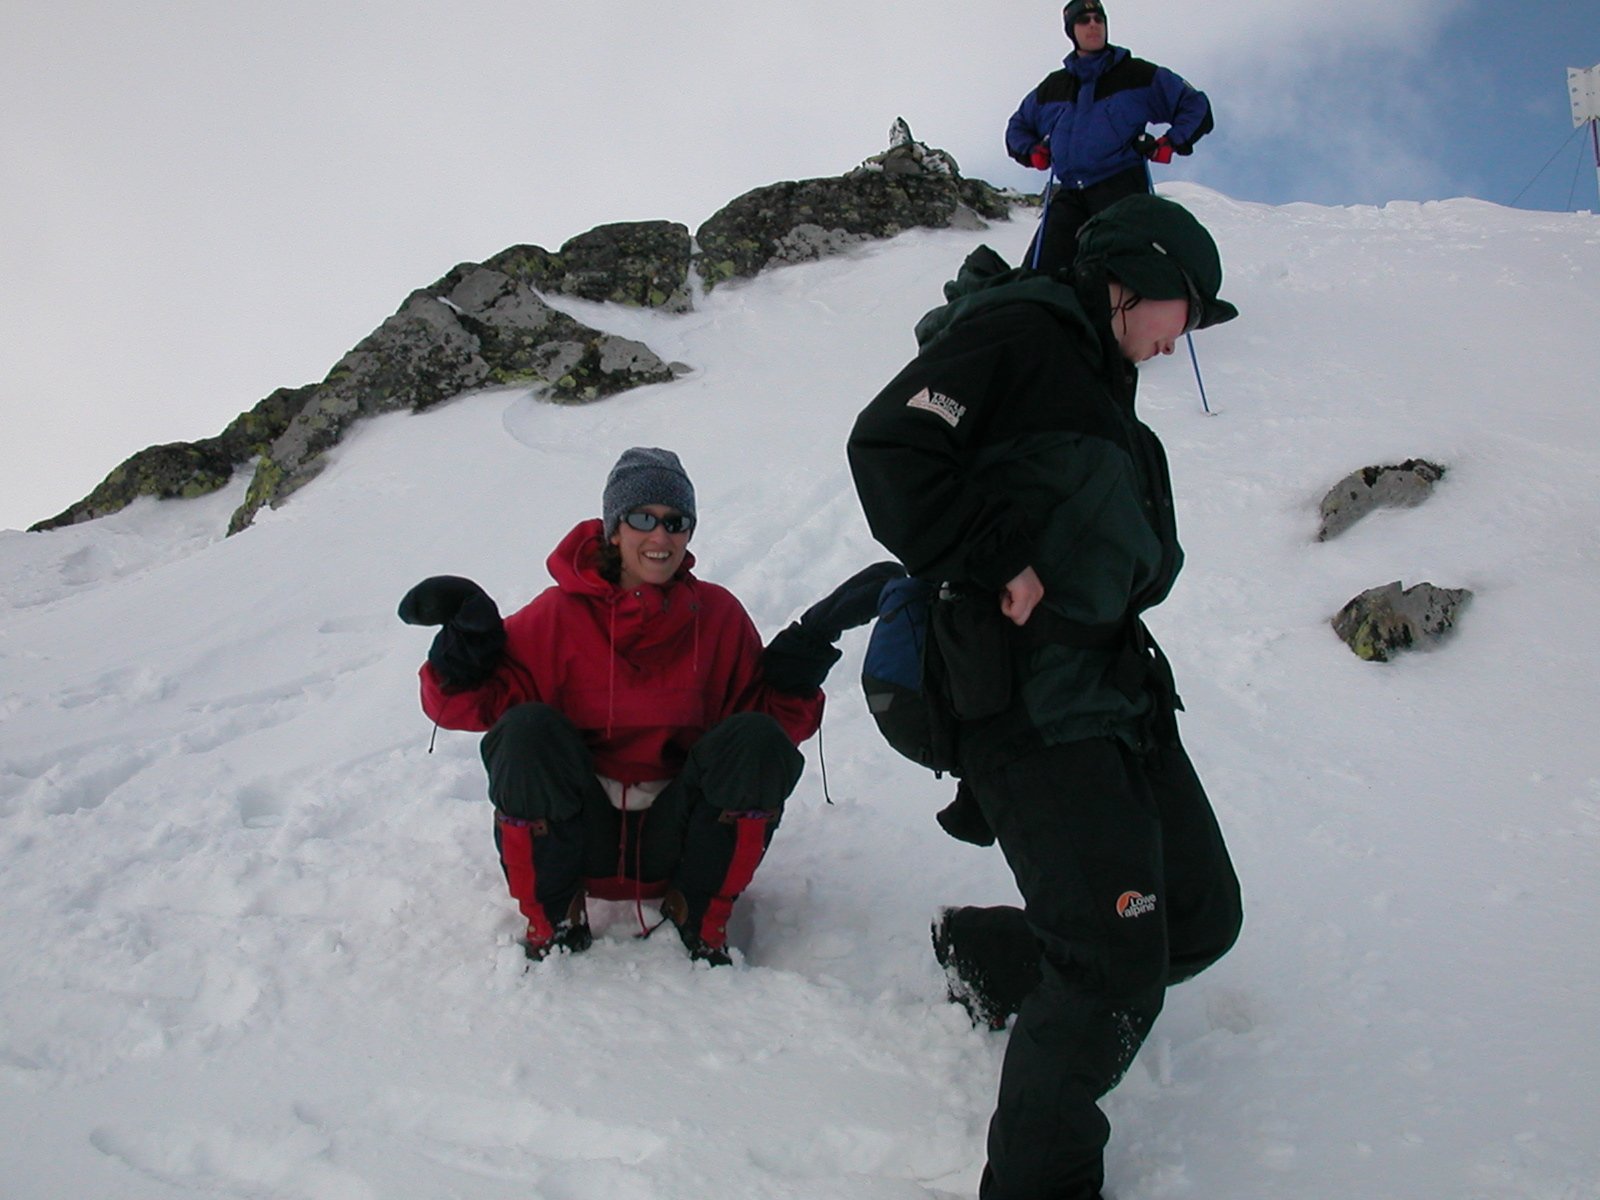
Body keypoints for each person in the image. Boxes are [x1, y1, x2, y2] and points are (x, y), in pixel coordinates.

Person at [846, 194, 1244, 1200]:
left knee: (1195, 917)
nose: (1185, 335)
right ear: (1134, 279)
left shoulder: (1107, 387)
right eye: (1187, 309)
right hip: (1027, 702)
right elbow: (889, 445)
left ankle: (990, 957)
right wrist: (993, 556)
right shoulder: (1021, 335)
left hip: (1115, 693)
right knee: (1112, 963)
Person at [400, 447, 898, 965]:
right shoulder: (555, 617)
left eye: (676, 522)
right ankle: (553, 919)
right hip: (576, 840)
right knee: (525, 729)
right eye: (643, 519)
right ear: (614, 529)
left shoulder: (717, 616)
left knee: (756, 739)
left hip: (679, 843)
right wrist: (464, 652)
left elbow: (763, 736)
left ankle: (699, 914)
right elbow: (461, 707)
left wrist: (809, 647)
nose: (661, 537)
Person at [1006, 0, 1215, 272]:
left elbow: (1196, 106)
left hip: (1121, 189)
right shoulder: (1054, 87)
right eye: (1084, 20)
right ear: (1071, 31)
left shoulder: (1137, 74)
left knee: (1116, 275)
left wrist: (1172, 141)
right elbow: (1018, 126)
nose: (1093, 24)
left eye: (1099, 19)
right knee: (1037, 277)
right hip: (1069, 194)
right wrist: (1032, 150)